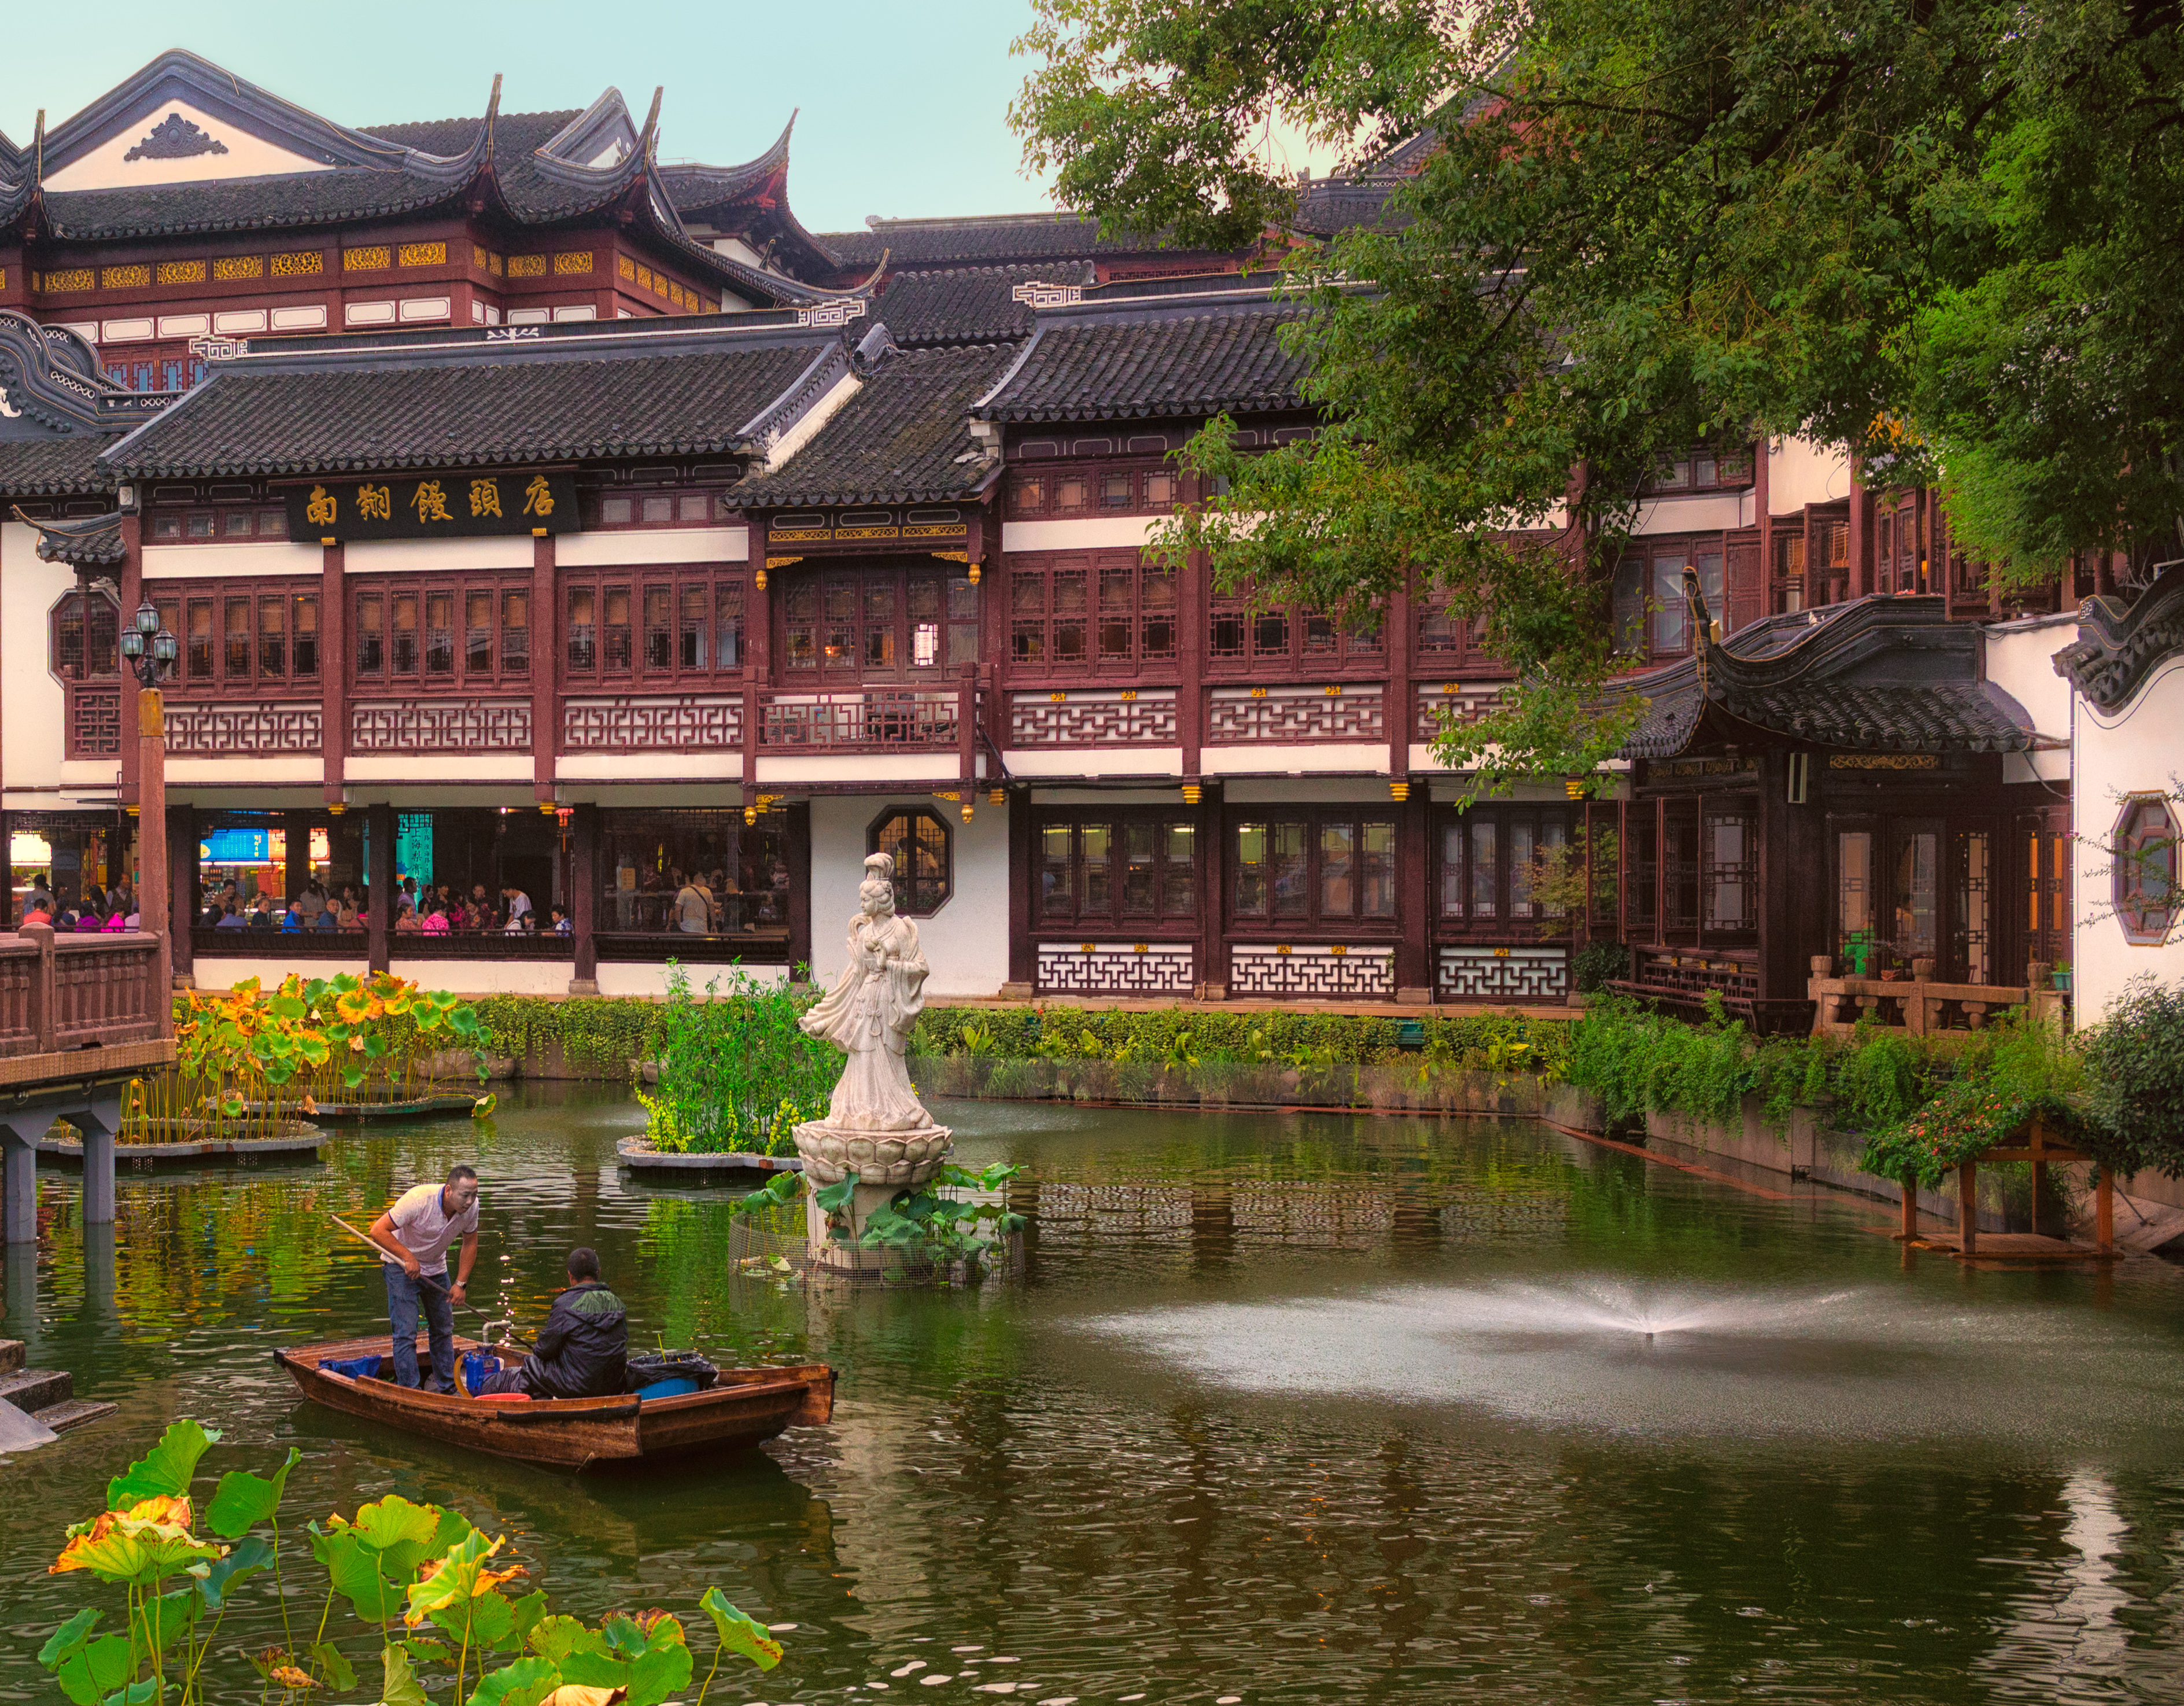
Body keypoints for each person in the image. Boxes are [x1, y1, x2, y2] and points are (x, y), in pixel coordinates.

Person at [367, 1164, 481, 1394]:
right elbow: (378, 1230)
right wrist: (407, 1257)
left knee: (443, 1328)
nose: (470, 1201)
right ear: (448, 1191)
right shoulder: (419, 1200)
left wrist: (460, 1283)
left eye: (474, 1195)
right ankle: (409, 1389)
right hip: (399, 1265)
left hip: (436, 1267)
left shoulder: (471, 1208)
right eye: (465, 1195)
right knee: (406, 1331)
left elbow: (470, 1243)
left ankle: (448, 1386)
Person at [479, 1247, 626, 1399]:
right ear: (599, 1272)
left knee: (529, 1367)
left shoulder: (564, 1305)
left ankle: (488, 1395)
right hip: (614, 1384)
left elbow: (543, 1351)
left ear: (570, 1276)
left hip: (577, 1387)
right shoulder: (618, 1304)